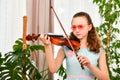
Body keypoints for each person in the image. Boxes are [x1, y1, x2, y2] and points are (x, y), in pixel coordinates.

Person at [39, 12, 110, 80]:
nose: (77, 30)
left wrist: (89, 65)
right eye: (74, 27)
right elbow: (53, 69)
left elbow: (106, 78)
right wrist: (47, 45)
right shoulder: (67, 46)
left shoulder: (99, 50)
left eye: (80, 26)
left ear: (89, 27)